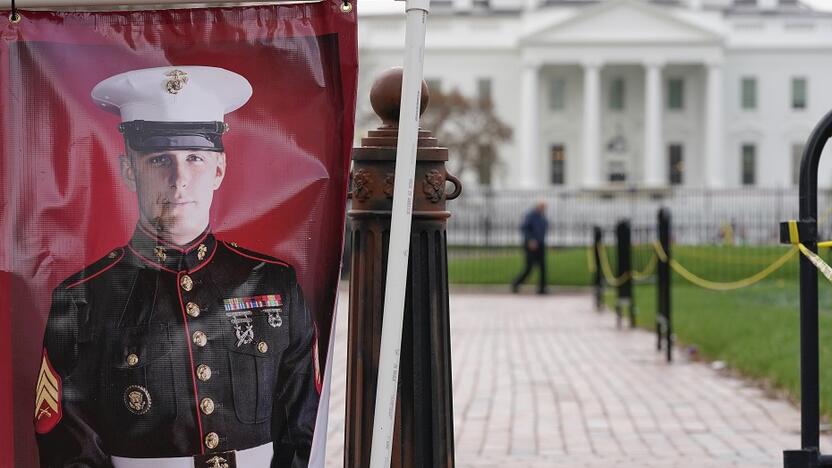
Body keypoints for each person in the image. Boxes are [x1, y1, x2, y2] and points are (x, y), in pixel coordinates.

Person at [34, 66, 319, 468]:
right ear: (129, 172)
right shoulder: (82, 297)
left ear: (219, 170)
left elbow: (303, 425)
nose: (179, 179)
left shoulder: (273, 282)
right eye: (159, 159)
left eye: (195, 158)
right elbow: (68, 444)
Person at [511, 200, 549, 294]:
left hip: (540, 244)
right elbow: (524, 228)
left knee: (542, 267)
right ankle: (516, 283)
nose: (544, 208)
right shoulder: (530, 215)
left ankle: (542, 288)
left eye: (544, 207)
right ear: (538, 206)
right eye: (542, 206)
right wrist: (530, 240)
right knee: (529, 267)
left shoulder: (542, 216)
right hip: (531, 245)